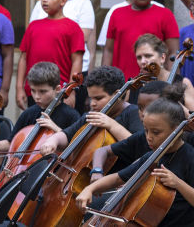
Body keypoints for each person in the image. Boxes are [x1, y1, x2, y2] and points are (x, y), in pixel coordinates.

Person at [76, 90, 194, 226]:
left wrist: (178, 183)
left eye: (156, 132)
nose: (149, 137)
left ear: (176, 130)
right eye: (146, 130)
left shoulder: (189, 157)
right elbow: (117, 178)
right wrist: (89, 189)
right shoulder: (151, 157)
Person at [88, 82, 188, 185]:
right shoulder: (142, 137)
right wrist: (97, 171)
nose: (144, 113)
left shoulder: (186, 149)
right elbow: (102, 151)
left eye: (151, 108)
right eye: (140, 108)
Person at [39, 66, 144, 161]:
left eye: (98, 98)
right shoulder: (91, 115)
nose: (92, 103)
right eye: (90, 98)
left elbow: (138, 147)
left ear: (117, 94)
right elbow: (67, 135)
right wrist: (52, 141)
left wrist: (111, 125)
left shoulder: (133, 112)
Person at [16, 0, 85, 109]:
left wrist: (71, 91)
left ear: (63, 1)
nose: (44, 0)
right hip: (34, 90)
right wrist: (19, 88)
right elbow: (23, 59)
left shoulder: (73, 27)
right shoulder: (33, 26)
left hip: (59, 91)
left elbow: (77, 61)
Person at [104, 0, 179, 84]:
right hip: (122, 84)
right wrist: (105, 80)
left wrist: (169, 82)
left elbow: (173, 52)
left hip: (154, 83)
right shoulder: (116, 13)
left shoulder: (165, 14)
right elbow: (108, 50)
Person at [0, 62, 80, 156]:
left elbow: (76, 148)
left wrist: (56, 129)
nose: (37, 96)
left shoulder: (71, 115)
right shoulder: (28, 113)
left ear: (57, 89)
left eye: (43, 91)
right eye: (33, 90)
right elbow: (11, 143)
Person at [28, 0, 96, 74]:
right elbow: (32, 35)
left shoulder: (83, 2)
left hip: (72, 69)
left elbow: (82, 37)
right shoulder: (40, 4)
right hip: (42, 69)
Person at [133, 33, 194, 110]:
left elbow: (192, 119)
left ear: (162, 57)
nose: (142, 61)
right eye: (139, 57)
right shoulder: (135, 85)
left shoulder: (183, 83)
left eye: (148, 56)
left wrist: (172, 101)